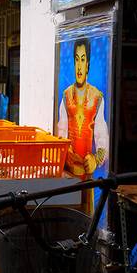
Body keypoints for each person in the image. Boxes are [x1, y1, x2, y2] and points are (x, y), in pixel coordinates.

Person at [57, 38, 109, 211]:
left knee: (85, 218)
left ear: (88, 64)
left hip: (87, 177)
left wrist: (96, 159)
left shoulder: (97, 97)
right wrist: (65, 152)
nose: (79, 66)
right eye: (76, 60)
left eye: (83, 59)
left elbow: (102, 136)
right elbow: (61, 132)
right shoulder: (65, 96)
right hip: (68, 174)